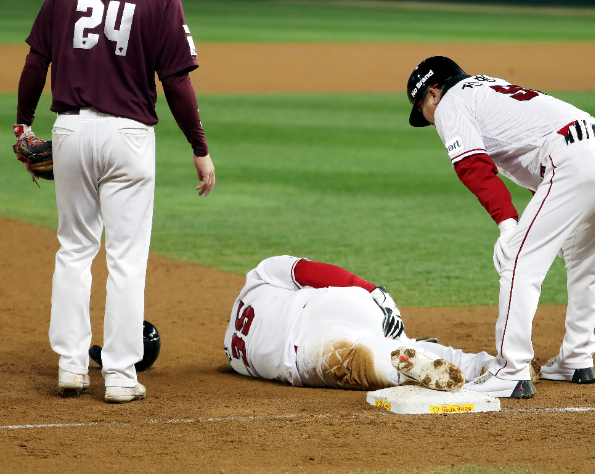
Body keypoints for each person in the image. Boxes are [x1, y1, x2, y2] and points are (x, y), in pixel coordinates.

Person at [15, 0, 216, 403]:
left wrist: (23, 123)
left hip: (69, 130)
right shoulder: (161, 2)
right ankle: (121, 375)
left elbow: (37, 61)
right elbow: (176, 80)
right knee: (126, 256)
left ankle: (71, 366)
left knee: (74, 249)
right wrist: (199, 146)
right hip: (129, 135)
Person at [406, 56, 595, 399]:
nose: (426, 115)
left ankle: (511, 371)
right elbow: (540, 170)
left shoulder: (451, 103)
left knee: (517, 261)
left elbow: (473, 167)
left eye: (421, 104)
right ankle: (576, 358)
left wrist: (507, 224)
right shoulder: (486, 89)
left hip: (575, 159)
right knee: (583, 263)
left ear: (434, 93)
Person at [223, 256, 500, 391]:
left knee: (372, 359)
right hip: (329, 306)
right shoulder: (257, 278)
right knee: (398, 339)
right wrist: (372, 290)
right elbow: (309, 272)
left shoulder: (232, 354)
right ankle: (481, 364)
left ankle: (403, 369)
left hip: (303, 358)